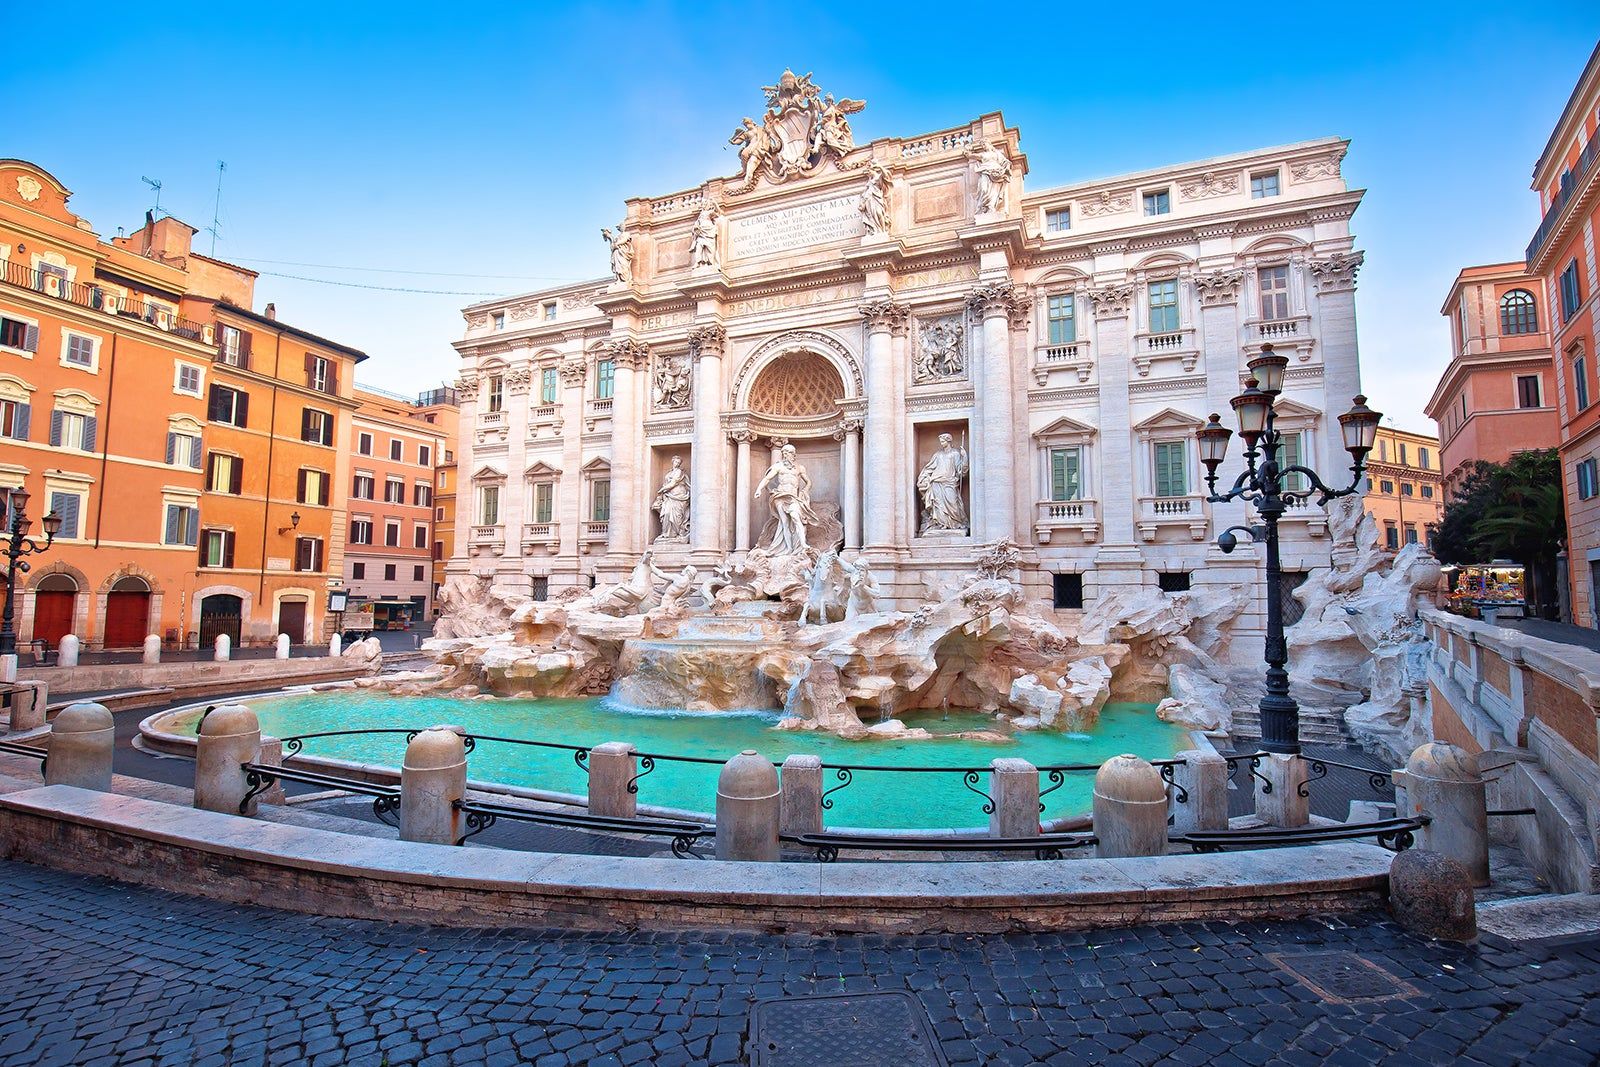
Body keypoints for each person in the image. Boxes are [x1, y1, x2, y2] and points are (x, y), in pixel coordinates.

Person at [754, 444, 816, 556]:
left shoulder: (800, 468)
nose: (793, 455)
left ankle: (803, 544)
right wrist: (759, 489)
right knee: (784, 523)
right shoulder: (778, 467)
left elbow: (808, 482)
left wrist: (805, 490)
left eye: (793, 453)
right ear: (785, 454)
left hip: (793, 497)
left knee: (796, 517)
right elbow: (767, 479)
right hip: (780, 496)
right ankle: (789, 549)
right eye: (790, 453)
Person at [917, 433, 969, 533]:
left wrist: (964, 457)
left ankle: (954, 524)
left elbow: (961, 470)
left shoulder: (955, 454)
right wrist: (924, 477)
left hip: (950, 483)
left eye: (943, 441)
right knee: (938, 505)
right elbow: (929, 468)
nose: (941, 443)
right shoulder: (938, 455)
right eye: (940, 442)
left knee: (952, 503)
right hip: (936, 482)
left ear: (949, 441)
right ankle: (941, 524)